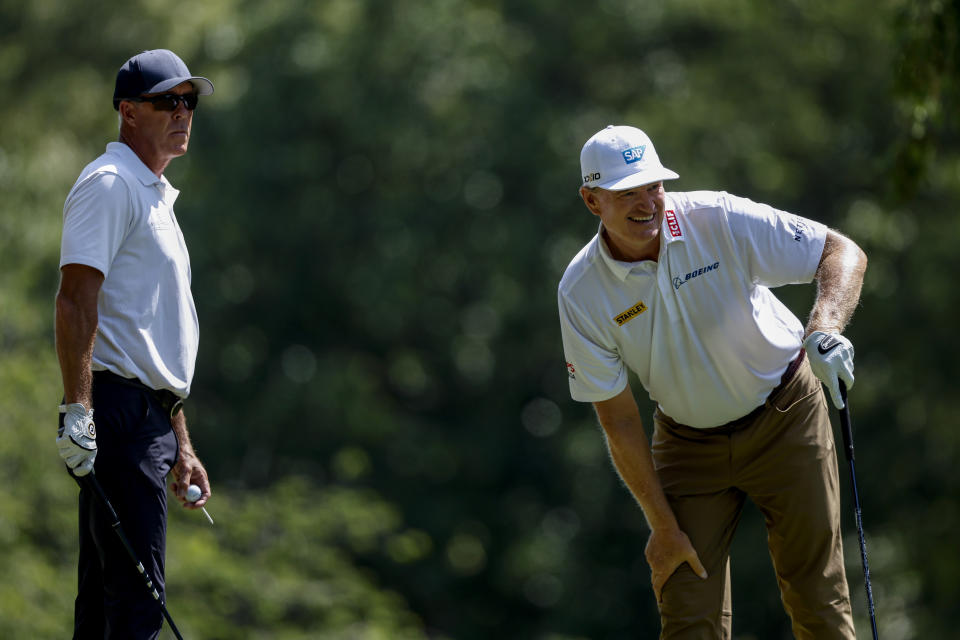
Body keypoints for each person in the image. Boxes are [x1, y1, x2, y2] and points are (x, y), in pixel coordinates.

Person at [558, 125, 867, 639]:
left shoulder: (716, 217)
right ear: (592, 201)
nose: (646, 203)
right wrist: (662, 525)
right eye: (626, 192)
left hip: (786, 414)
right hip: (688, 443)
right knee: (686, 612)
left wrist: (824, 330)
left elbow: (840, 252)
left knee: (817, 597)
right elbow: (616, 416)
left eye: (653, 186)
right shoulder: (581, 291)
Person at [55, 49, 214, 639]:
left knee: (105, 605)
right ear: (127, 111)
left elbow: (153, 341)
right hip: (117, 415)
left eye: (188, 101)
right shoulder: (110, 184)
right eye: (166, 101)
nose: (183, 112)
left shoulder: (153, 195)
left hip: (147, 419)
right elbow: (74, 299)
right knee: (137, 605)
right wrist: (78, 409)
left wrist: (180, 442)